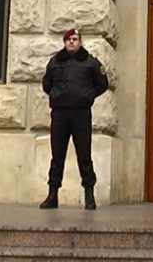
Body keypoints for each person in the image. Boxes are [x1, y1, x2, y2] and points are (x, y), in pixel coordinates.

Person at [40, 28, 109, 210]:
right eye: (68, 39)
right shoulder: (55, 62)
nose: (71, 42)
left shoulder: (90, 62)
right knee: (57, 156)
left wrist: (88, 96)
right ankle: (52, 195)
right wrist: (56, 95)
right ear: (64, 42)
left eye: (75, 39)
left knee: (84, 156)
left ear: (80, 42)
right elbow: (47, 84)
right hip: (60, 114)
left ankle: (89, 196)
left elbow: (103, 83)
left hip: (81, 114)